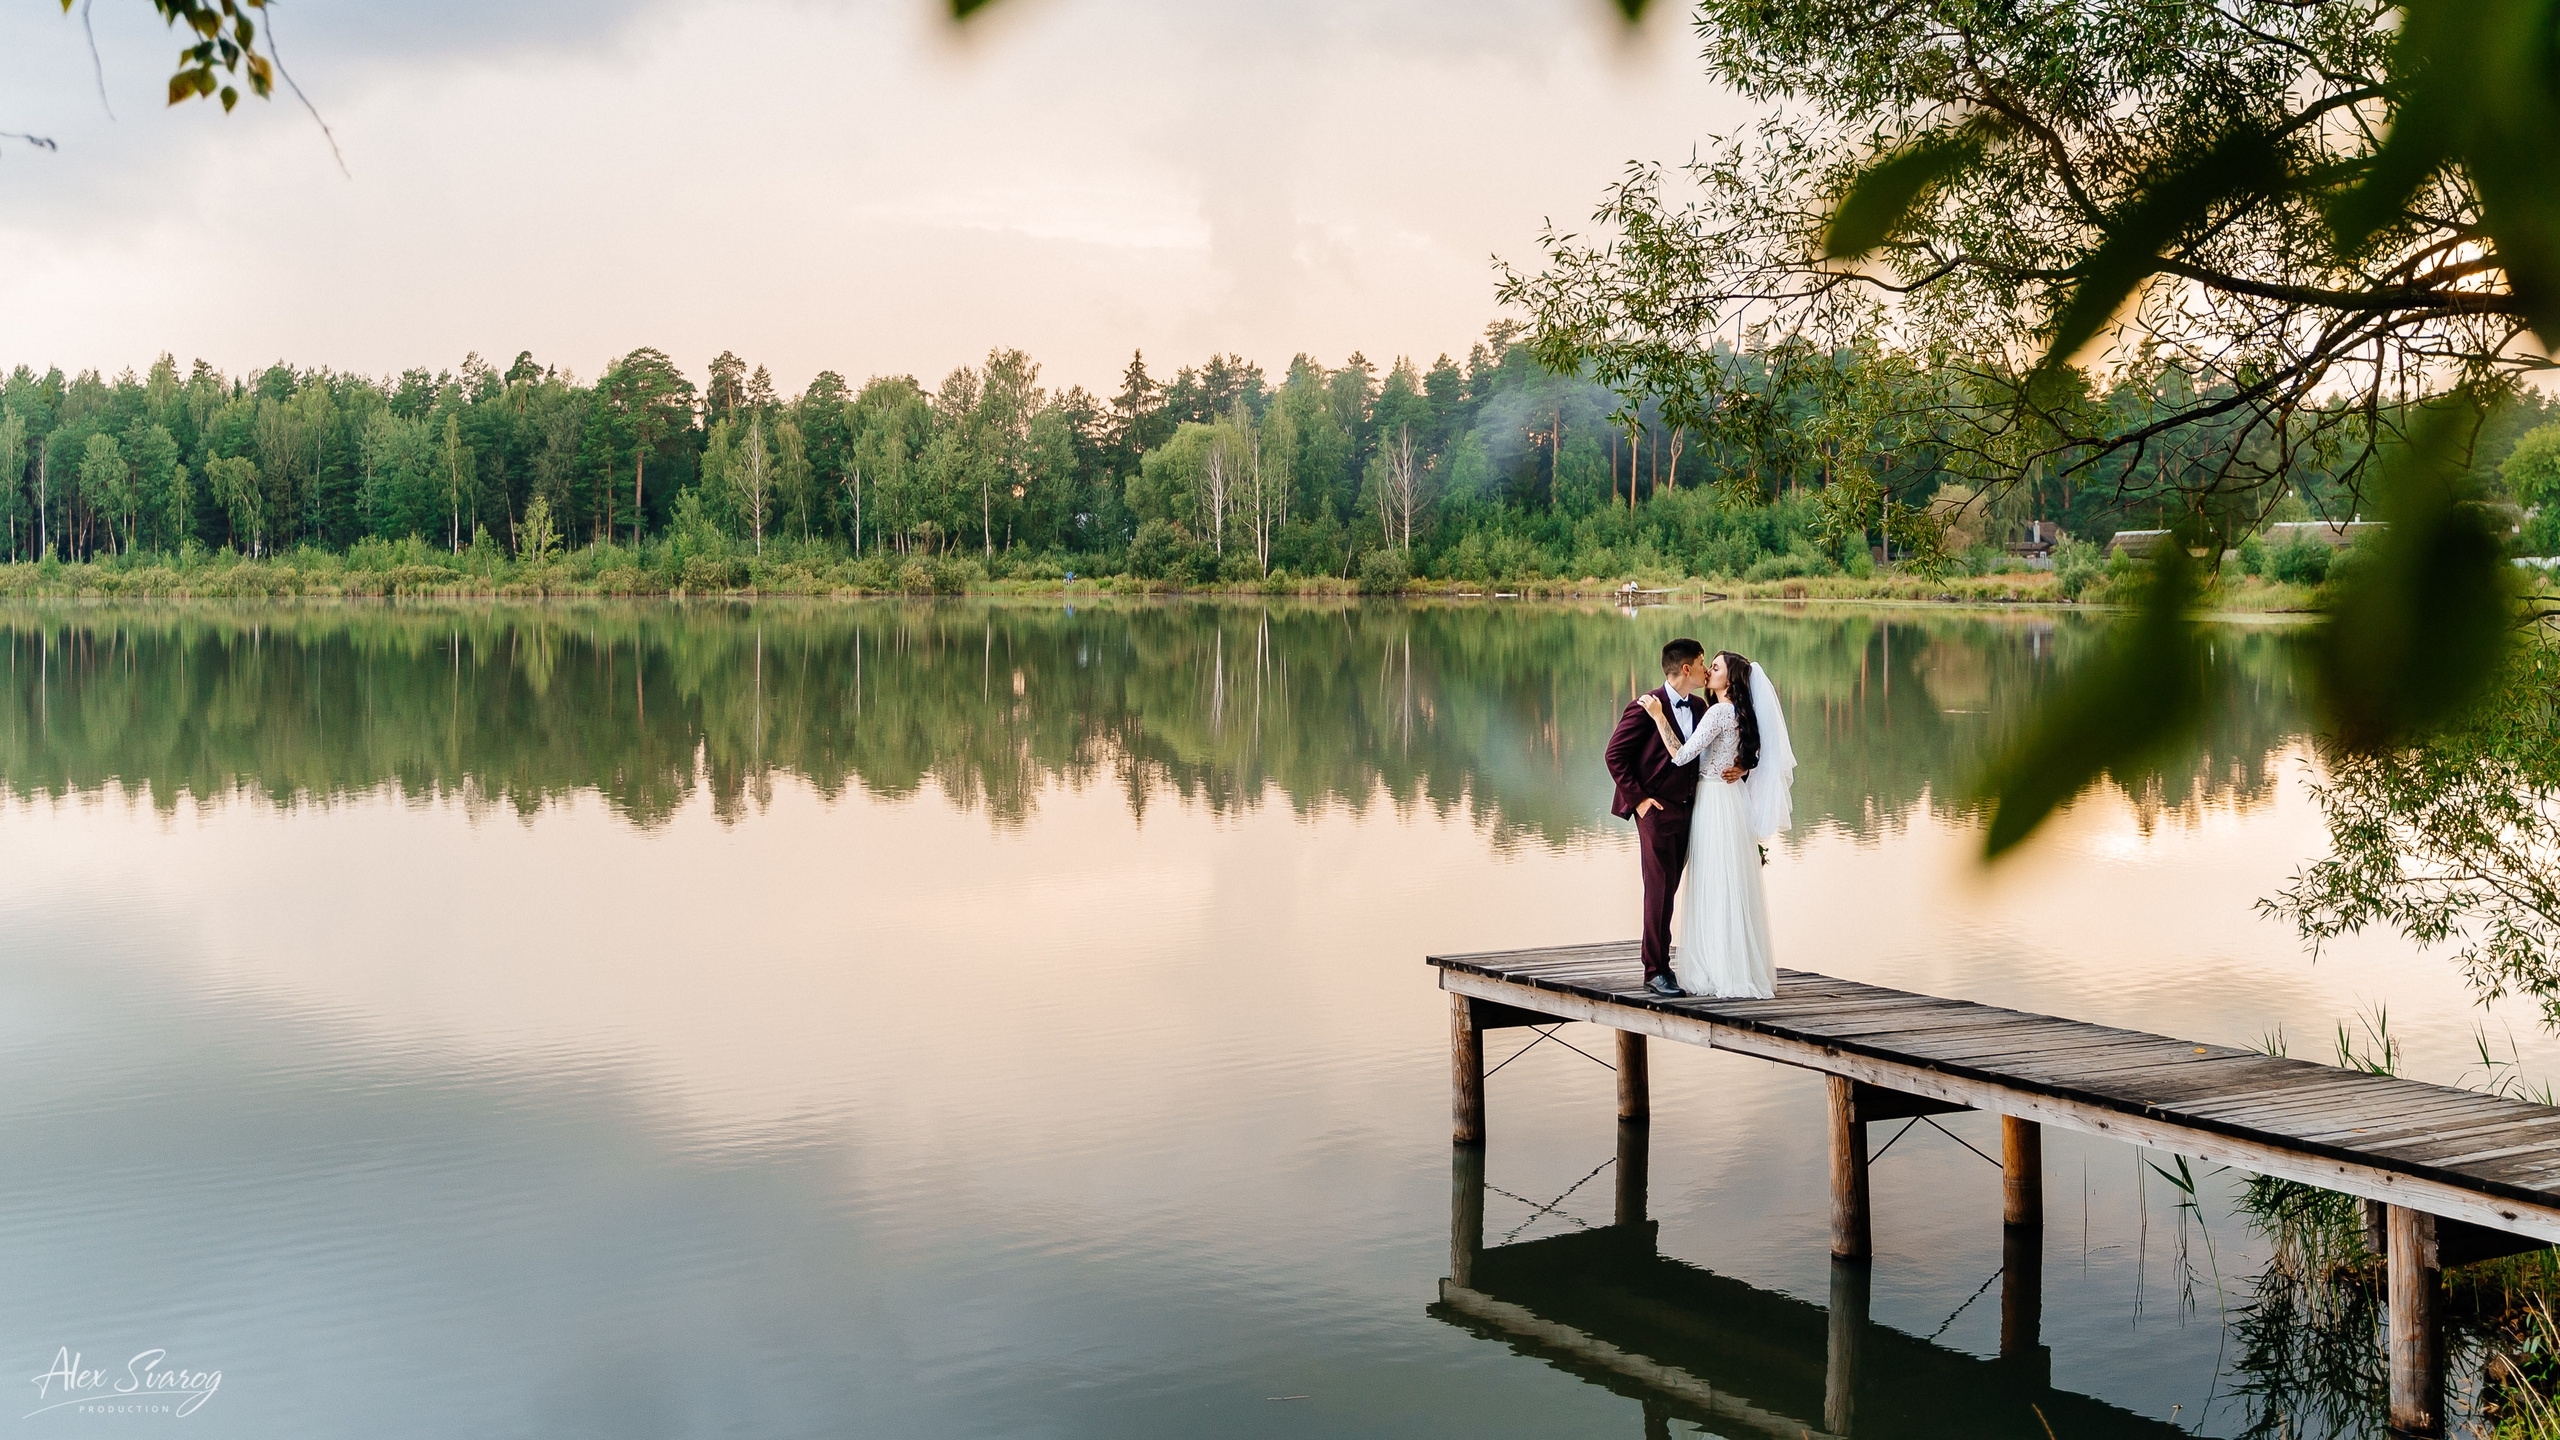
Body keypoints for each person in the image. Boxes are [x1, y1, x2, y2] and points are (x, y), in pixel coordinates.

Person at [1635, 650, 1796, 999]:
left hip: (1712, 801)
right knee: (1731, 880)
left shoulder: (1719, 711)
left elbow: (1681, 755)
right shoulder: (1742, 712)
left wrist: (1659, 716)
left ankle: (1716, 970)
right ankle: (1737, 967)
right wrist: (1743, 767)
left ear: (1730, 679)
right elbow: (1761, 753)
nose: (1709, 670)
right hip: (1732, 801)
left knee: (1714, 882)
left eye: (1717, 667)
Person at [1606, 639, 1745, 998]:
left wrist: (1742, 767)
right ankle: (1656, 971)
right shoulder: (1646, 706)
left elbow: (1725, 741)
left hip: (1693, 809)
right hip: (1656, 811)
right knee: (1659, 889)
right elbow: (1614, 755)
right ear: (1687, 668)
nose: (1706, 669)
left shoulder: (1700, 706)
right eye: (1702, 663)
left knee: (1673, 888)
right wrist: (1639, 801)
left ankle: (1694, 962)